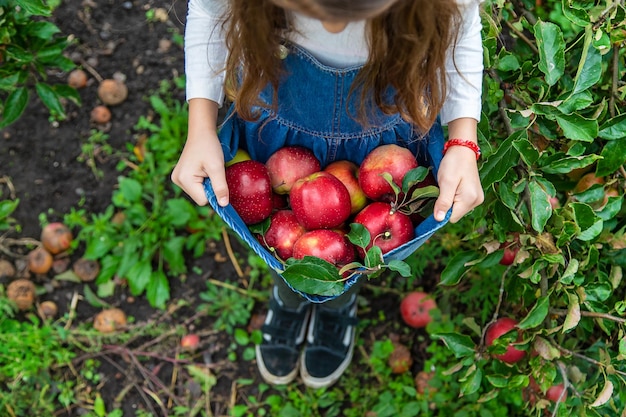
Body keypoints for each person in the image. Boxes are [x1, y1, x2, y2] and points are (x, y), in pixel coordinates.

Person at [172, 0, 485, 389]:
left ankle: (338, 301)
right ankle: (288, 292)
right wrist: (200, 124)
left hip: (381, 148)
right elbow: (209, 12)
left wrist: (462, 141)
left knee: (352, 255)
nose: (335, 29)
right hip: (279, 136)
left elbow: (460, 30)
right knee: (280, 240)